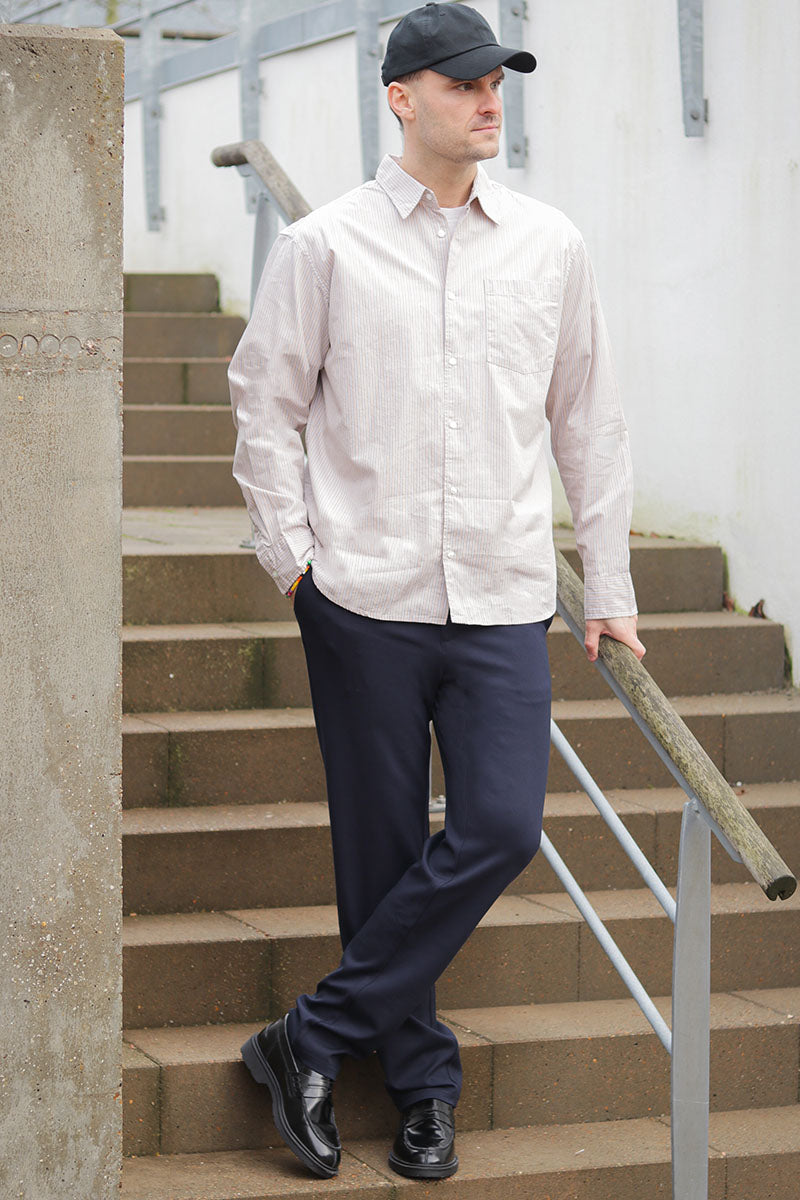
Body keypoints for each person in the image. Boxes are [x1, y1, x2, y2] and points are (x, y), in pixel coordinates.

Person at [227, 0, 646, 1182]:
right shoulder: (324, 247)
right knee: (376, 856)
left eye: (496, 83)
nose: (487, 101)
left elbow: (587, 417)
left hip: (504, 595)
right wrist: (294, 567)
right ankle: (419, 1088)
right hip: (362, 594)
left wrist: (605, 580)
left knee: (500, 826)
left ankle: (308, 1038)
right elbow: (264, 405)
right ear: (401, 98)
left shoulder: (549, 245)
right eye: (464, 84)